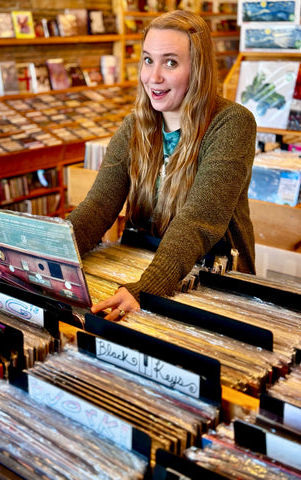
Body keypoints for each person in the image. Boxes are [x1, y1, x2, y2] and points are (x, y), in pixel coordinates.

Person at [68, 9, 257, 321]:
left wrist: (147, 288)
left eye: (170, 62)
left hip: (213, 276)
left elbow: (198, 220)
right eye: (147, 60)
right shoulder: (134, 126)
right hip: (140, 262)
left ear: (198, 69)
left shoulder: (232, 123)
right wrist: (42, 256)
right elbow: (99, 205)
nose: (153, 77)